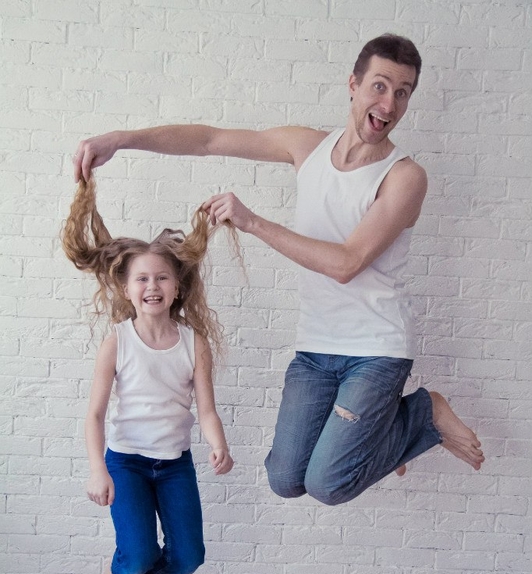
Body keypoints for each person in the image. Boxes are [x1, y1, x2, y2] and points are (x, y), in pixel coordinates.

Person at [73, 33, 484, 508]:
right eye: (379, 86)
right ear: (353, 85)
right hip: (316, 349)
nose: (389, 103)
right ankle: (381, 435)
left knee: (328, 484)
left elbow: (346, 263)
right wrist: (122, 140)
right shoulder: (306, 147)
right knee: (285, 479)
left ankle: (423, 414)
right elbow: (209, 140)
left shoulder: (405, 177)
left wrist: (253, 222)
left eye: (403, 92)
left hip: (376, 349)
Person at [62, 177, 234, 574]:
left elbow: (206, 410)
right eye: (142, 278)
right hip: (127, 463)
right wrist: (98, 470)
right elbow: (95, 415)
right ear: (126, 289)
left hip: (174, 465)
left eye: (162, 277)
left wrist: (219, 444)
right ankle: (121, 570)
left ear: (177, 288)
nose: (152, 285)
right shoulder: (117, 342)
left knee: (189, 556)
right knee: (139, 551)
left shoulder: (194, 343)